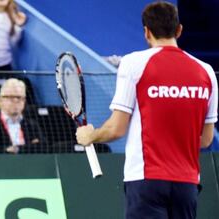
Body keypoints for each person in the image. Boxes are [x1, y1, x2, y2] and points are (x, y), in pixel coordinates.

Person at [75, 2, 218, 219]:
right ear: (179, 30)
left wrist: (90, 136)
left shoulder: (133, 63)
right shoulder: (206, 72)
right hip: (187, 184)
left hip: (145, 180)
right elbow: (206, 139)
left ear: (146, 32)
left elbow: (116, 129)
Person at [0, 78, 46, 154]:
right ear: (0, 100)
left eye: (19, 97)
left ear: (24, 101)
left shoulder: (32, 125)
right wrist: (28, 146)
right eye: (11, 97)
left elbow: (42, 148)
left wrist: (16, 149)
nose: (16, 101)